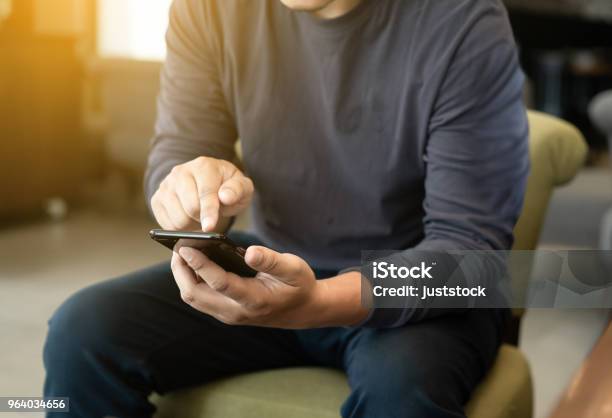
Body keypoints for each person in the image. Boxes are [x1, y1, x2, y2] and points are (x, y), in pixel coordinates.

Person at [43, 0, 529, 417]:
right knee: (81, 333)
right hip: (278, 265)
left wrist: (317, 302)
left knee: (401, 392)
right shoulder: (211, 9)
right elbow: (181, 152)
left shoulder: (464, 23)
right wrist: (192, 201)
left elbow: (472, 258)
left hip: (422, 291)